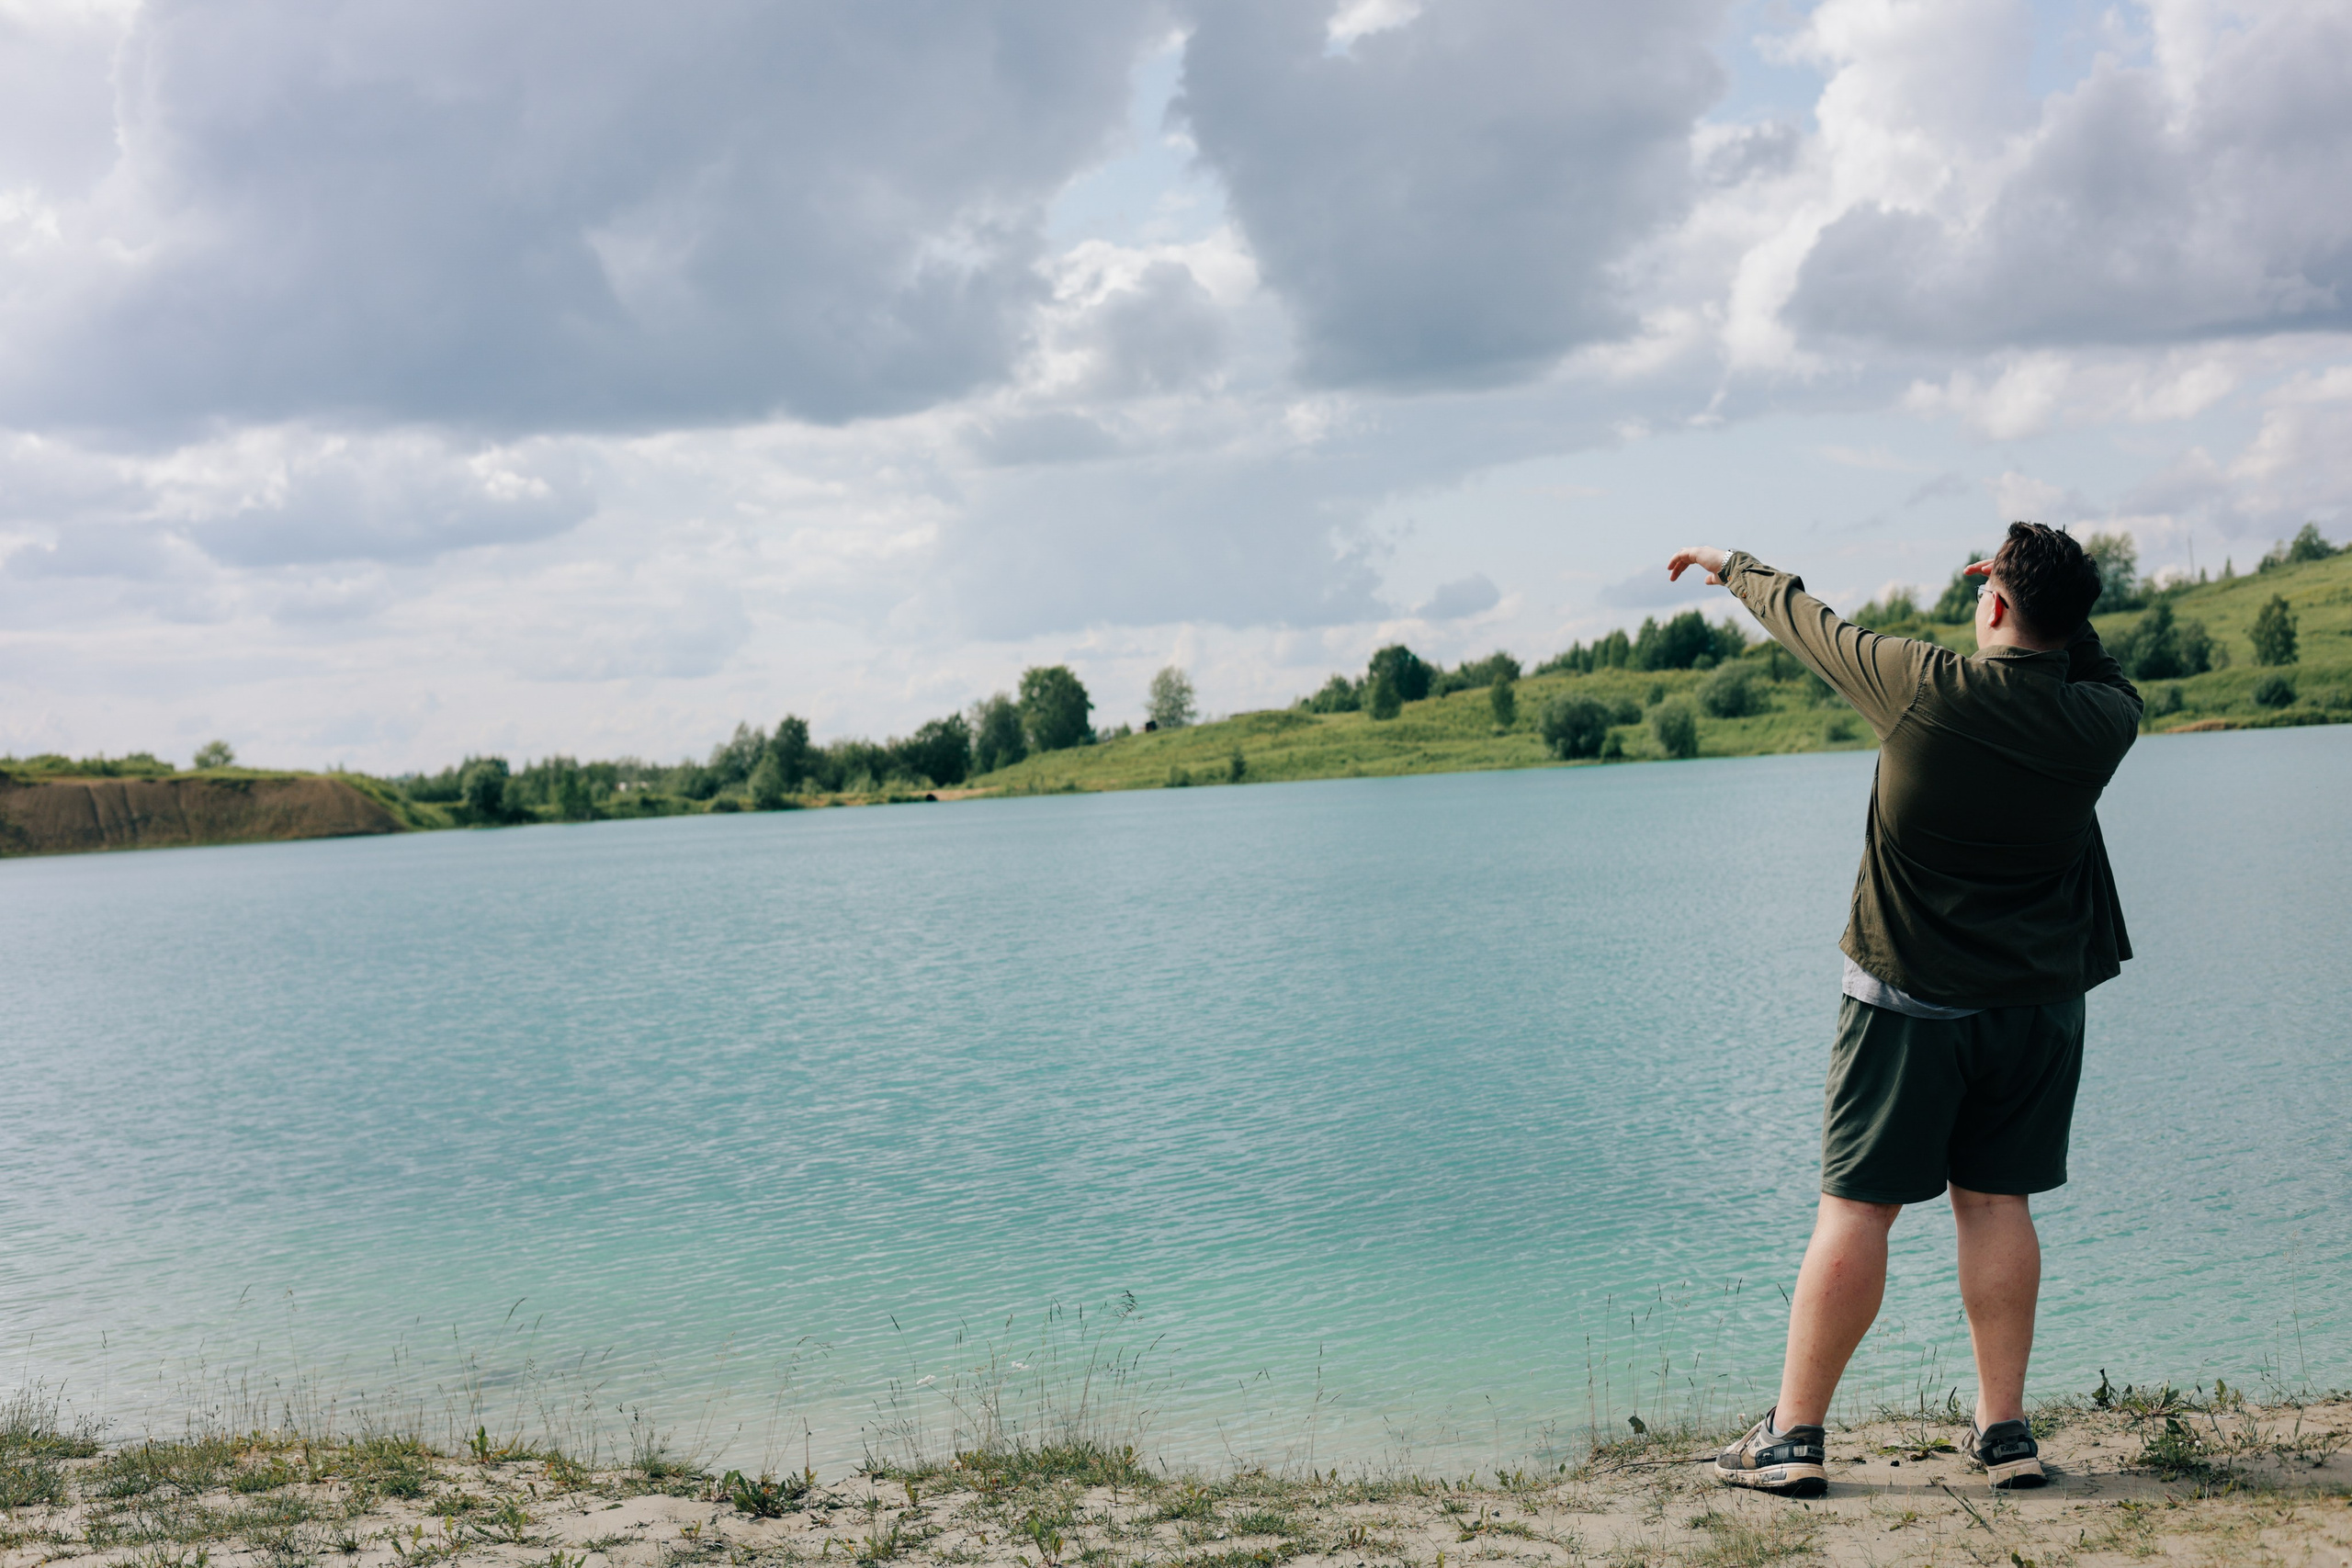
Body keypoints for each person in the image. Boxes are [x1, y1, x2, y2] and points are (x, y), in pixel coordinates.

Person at [1665, 525, 2141, 1496]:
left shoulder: (1925, 686)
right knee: (1995, 1198)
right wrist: (2045, 604)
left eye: (1987, 594)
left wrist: (1729, 566)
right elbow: (2089, 658)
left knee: (1857, 1207)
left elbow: (1807, 624)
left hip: (1907, 1001)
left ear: (1994, 604)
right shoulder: (2102, 720)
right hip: (2037, 1008)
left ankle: (1792, 1438)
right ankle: (2002, 1432)